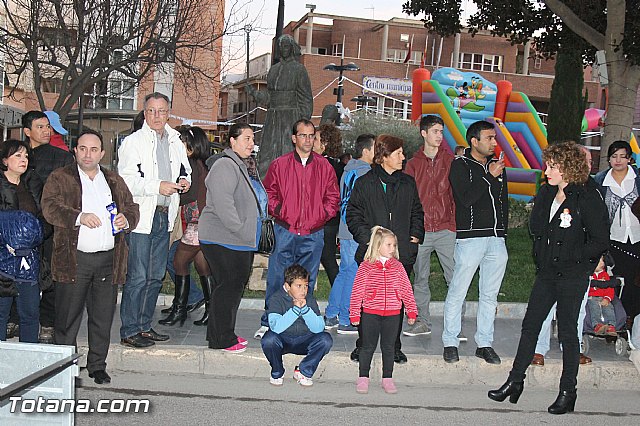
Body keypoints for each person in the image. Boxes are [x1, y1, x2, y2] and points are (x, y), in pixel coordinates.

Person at [488, 141, 609, 415]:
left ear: (566, 169)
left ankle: (568, 392)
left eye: (552, 166)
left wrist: (575, 255)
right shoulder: (546, 193)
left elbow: (599, 239)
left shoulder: (587, 197)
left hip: (572, 275)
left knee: (568, 333)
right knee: (530, 325)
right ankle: (514, 381)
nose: (546, 171)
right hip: (547, 272)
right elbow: (537, 228)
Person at [42, 130, 139, 384]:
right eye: (83, 148)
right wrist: (78, 217)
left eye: (94, 149)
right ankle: (66, 369)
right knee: (67, 319)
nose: (88, 154)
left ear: (102, 153)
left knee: (102, 317)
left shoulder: (113, 180)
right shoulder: (60, 177)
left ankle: (97, 365)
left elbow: (132, 208)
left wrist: (126, 219)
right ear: (75, 151)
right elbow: (49, 207)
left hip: (108, 260)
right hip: (74, 261)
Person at [117, 92, 191, 348]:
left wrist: (184, 182)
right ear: (145, 113)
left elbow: (185, 169)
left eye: (161, 111)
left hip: (164, 216)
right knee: (138, 276)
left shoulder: (175, 141)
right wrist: (157, 186)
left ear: (169, 111)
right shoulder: (133, 142)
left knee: (156, 276)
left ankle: (144, 326)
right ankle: (129, 330)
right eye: (152, 111)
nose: (157, 116)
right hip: (142, 216)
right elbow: (126, 181)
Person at [254, 119, 340, 339]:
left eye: (312, 136)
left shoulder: (324, 166)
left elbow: (333, 198)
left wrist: (319, 216)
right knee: (276, 277)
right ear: (294, 138)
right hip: (285, 231)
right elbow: (268, 194)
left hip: (312, 234)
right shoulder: (280, 164)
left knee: (306, 281)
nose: (308, 140)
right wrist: (281, 210)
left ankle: (303, 320)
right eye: (303, 135)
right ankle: (269, 321)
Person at [346, 134, 424, 364]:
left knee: (396, 302)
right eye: (398, 153)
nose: (403, 157)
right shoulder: (365, 183)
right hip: (371, 256)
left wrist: (416, 235)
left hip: (401, 255)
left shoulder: (407, 183)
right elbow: (353, 214)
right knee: (367, 301)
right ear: (384, 156)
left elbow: (417, 212)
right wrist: (369, 240)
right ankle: (363, 345)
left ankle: (394, 347)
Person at [442, 120, 508, 365]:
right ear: (474, 141)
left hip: (496, 239)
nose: (493, 142)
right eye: (489, 138)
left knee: (489, 295)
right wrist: (488, 177)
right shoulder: (460, 165)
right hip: (471, 238)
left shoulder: (497, 166)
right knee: (458, 291)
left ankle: (485, 343)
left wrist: (503, 233)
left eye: (494, 138)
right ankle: (450, 341)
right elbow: (466, 199)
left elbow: (503, 202)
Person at [199, 123, 267, 353]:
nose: (251, 143)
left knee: (229, 287)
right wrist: (240, 229)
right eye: (246, 138)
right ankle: (222, 339)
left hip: (236, 239)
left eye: (252, 139)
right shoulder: (225, 166)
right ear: (232, 141)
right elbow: (224, 204)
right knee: (228, 287)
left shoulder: (239, 165)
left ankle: (222, 332)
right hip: (225, 238)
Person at [404, 115, 462, 338]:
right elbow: (408, 199)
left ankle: (455, 326)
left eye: (441, 131)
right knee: (421, 278)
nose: (440, 136)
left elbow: (457, 195)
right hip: (421, 231)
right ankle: (422, 321)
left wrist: (455, 224)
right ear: (424, 134)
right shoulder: (412, 165)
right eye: (435, 131)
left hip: (447, 228)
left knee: (455, 278)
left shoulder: (451, 162)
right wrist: (412, 228)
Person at [23, 110, 74, 344]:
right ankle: (16, 317)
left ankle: (48, 324)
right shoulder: (15, 154)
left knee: (51, 276)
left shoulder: (61, 157)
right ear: (27, 132)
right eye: (40, 127)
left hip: (52, 226)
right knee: (20, 275)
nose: (46, 131)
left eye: (47, 126)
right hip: (21, 228)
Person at [350, 226, 418, 394]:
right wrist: (354, 313)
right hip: (370, 313)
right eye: (388, 245)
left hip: (393, 314)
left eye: (394, 245)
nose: (392, 248)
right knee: (367, 346)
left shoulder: (398, 267)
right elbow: (357, 291)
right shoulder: (366, 267)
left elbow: (406, 289)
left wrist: (411, 310)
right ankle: (363, 377)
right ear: (377, 246)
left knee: (389, 347)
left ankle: (387, 378)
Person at [159, 126, 212, 327]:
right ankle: (210, 309)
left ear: (190, 148)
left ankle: (180, 309)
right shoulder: (201, 164)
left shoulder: (192, 166)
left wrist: (172, 191)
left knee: (179, 262)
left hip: (196, 224)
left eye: (181, 144)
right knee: (201, 265)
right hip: (200, 223)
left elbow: (189, 194)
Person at [324, 134, 375, 334]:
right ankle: (345, 318)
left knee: (345, 272)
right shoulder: (365, 172)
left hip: (345, 228)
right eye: (375, 148)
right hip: (357, 229)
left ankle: (331, 314)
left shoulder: (348, 170)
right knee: (353, 274)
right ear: (366, 151)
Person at [247, 35, 313, 176]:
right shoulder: (274, 70)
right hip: (273, 117)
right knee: (267, 153)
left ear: (291, 48)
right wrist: (254, 93)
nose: (283, 49)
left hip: (290, 118)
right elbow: (270, 97)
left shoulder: (299, 70)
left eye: (286, 46)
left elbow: (306, 98)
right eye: (281, 46)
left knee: (287, 152)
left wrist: (302, 124)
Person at [0, 139, 45, 343]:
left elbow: (45, 217)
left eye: (26, 156)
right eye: (17, 155)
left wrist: (36, 235)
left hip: (30, 258)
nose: (23, 160)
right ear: (4, 160)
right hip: (3, 259)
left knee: (30, 314)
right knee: (1, 314)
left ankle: (29, 366)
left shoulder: (33, 184)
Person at [261, 264, 333, 387]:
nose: (303, 290)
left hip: (304, 339)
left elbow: (318, 328)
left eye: (305, 286)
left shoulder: (309, 299)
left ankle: (304, 371)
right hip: (283, 339)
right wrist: (295, 311)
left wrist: (305, 309)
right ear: (287, 286)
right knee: (268, 340)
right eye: (298, 286)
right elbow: (276, 327)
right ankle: (277, 371)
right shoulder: (276, 299)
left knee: (325, 340)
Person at [594, 140, 640, 329]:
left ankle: (633, 320)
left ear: (629, 158)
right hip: (614, 239)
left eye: (622, 156)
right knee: (616, 280)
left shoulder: (637, 178)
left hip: (637, 238)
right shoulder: (600, 180)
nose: (618, 160)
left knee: (635, 282)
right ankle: (616, 321)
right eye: (614, 156)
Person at [313, 123, 344, 288]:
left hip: (322, 220)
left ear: (324, 145)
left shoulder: (323, 166)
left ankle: (340, 300)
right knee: (329, 260)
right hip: (331, 221)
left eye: (316, 139)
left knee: (326, 261)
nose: (312, 141)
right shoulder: (336, 165)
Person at [587, 255, 617, 336]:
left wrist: (607, 298)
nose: (602, 263)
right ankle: (597, 325)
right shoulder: (588, 275)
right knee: (594, 307)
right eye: (599, 261)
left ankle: (611, 325)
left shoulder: (605, 275)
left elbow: (610, 288)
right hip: (591, 297)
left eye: (603, 261)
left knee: (609, 307)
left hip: (603, 297)